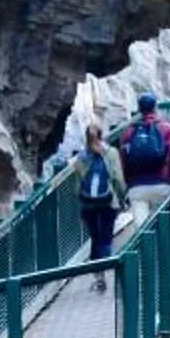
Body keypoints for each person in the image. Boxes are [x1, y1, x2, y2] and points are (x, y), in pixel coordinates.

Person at [70, 120, 127, 288]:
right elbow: (118, 178)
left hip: (88, 204)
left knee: (95, 237)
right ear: (102, 135)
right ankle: (106, 267)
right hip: (108, 201)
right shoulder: (111, 153)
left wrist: (82, 199)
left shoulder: (80, 157)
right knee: (106, 236)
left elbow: (77, 187)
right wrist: (122, 198)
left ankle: (98, 274)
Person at [115, 92, 170, 231]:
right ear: (155, 107)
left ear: (139, 109)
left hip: (137, 188)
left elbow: (123, 162)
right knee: (166, 228)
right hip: (163, 185)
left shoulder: (129, 132)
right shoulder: (167, 129)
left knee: (142, 232)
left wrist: (130, 182)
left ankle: (146, 244)